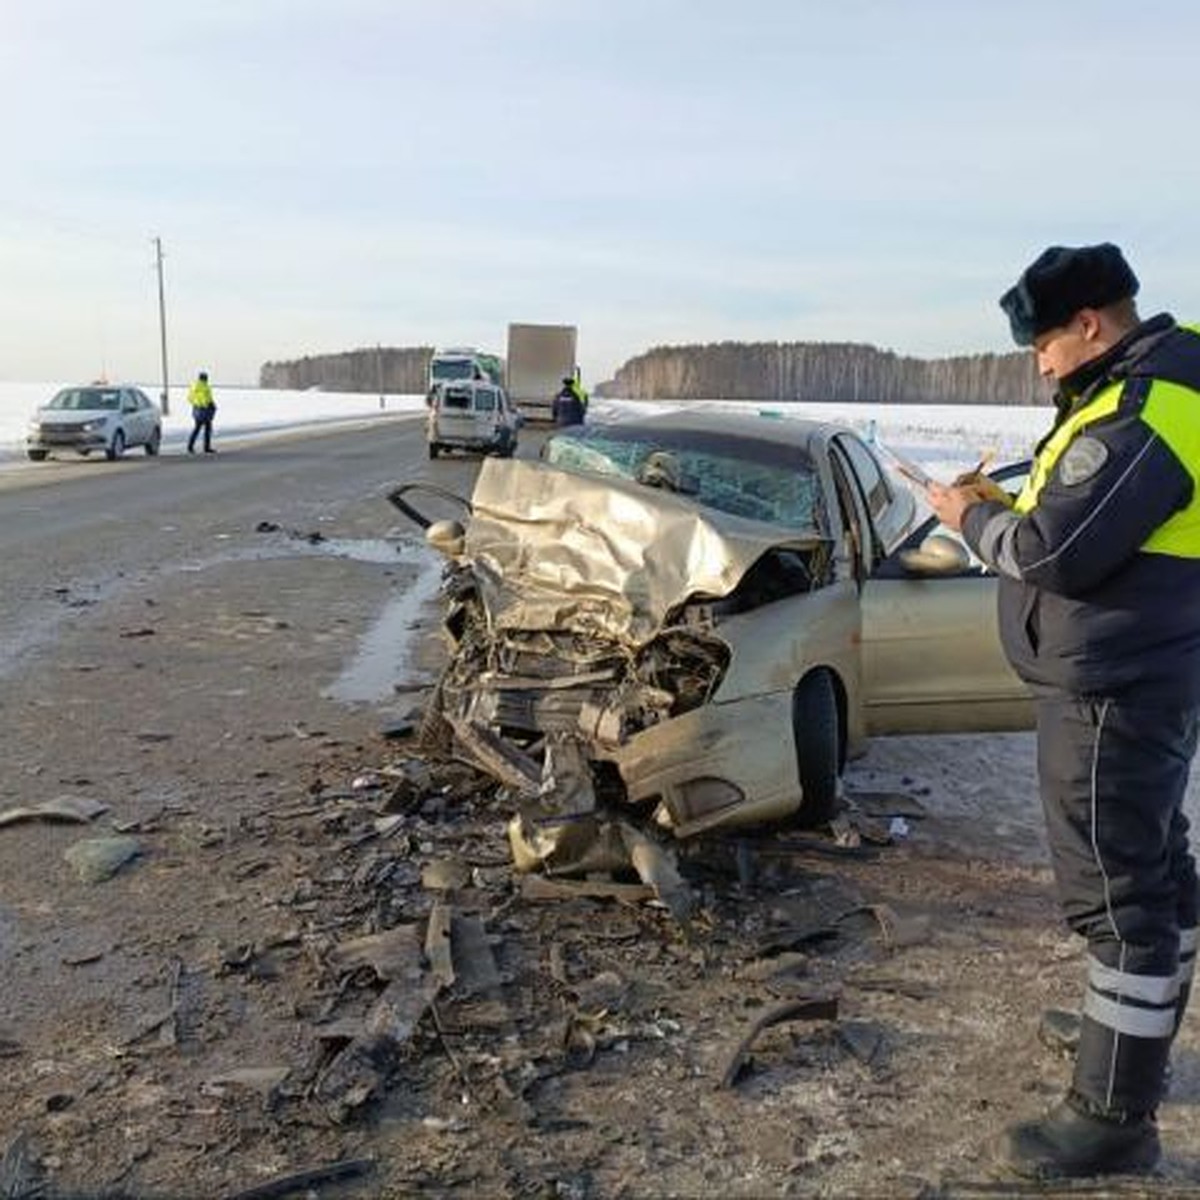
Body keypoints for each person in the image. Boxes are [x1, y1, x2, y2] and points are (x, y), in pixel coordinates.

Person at [926, 242, 1200, 1179]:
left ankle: (1114, 1114)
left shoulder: (1150, 407)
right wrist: (1008, 503)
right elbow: (1084, 522)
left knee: (1121, 901)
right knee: (1158, 869)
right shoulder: (1144, 386)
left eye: (1044, 344)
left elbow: (1054, 555)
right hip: (1143, 671)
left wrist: (966, 517)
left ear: (1091, 324)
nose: (1039, 363)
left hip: (1114, 690)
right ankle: (1131, 1039)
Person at [187, 370, 217, 454]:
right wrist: (208, 404)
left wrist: (197, 403)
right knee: (206, 429)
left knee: (198, 428)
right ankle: (206, 447)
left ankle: (190, 446)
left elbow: (190, 398)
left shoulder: (194, 386)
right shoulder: (205, 387)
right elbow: (206, 397)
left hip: (198, 409)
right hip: (204, 410)